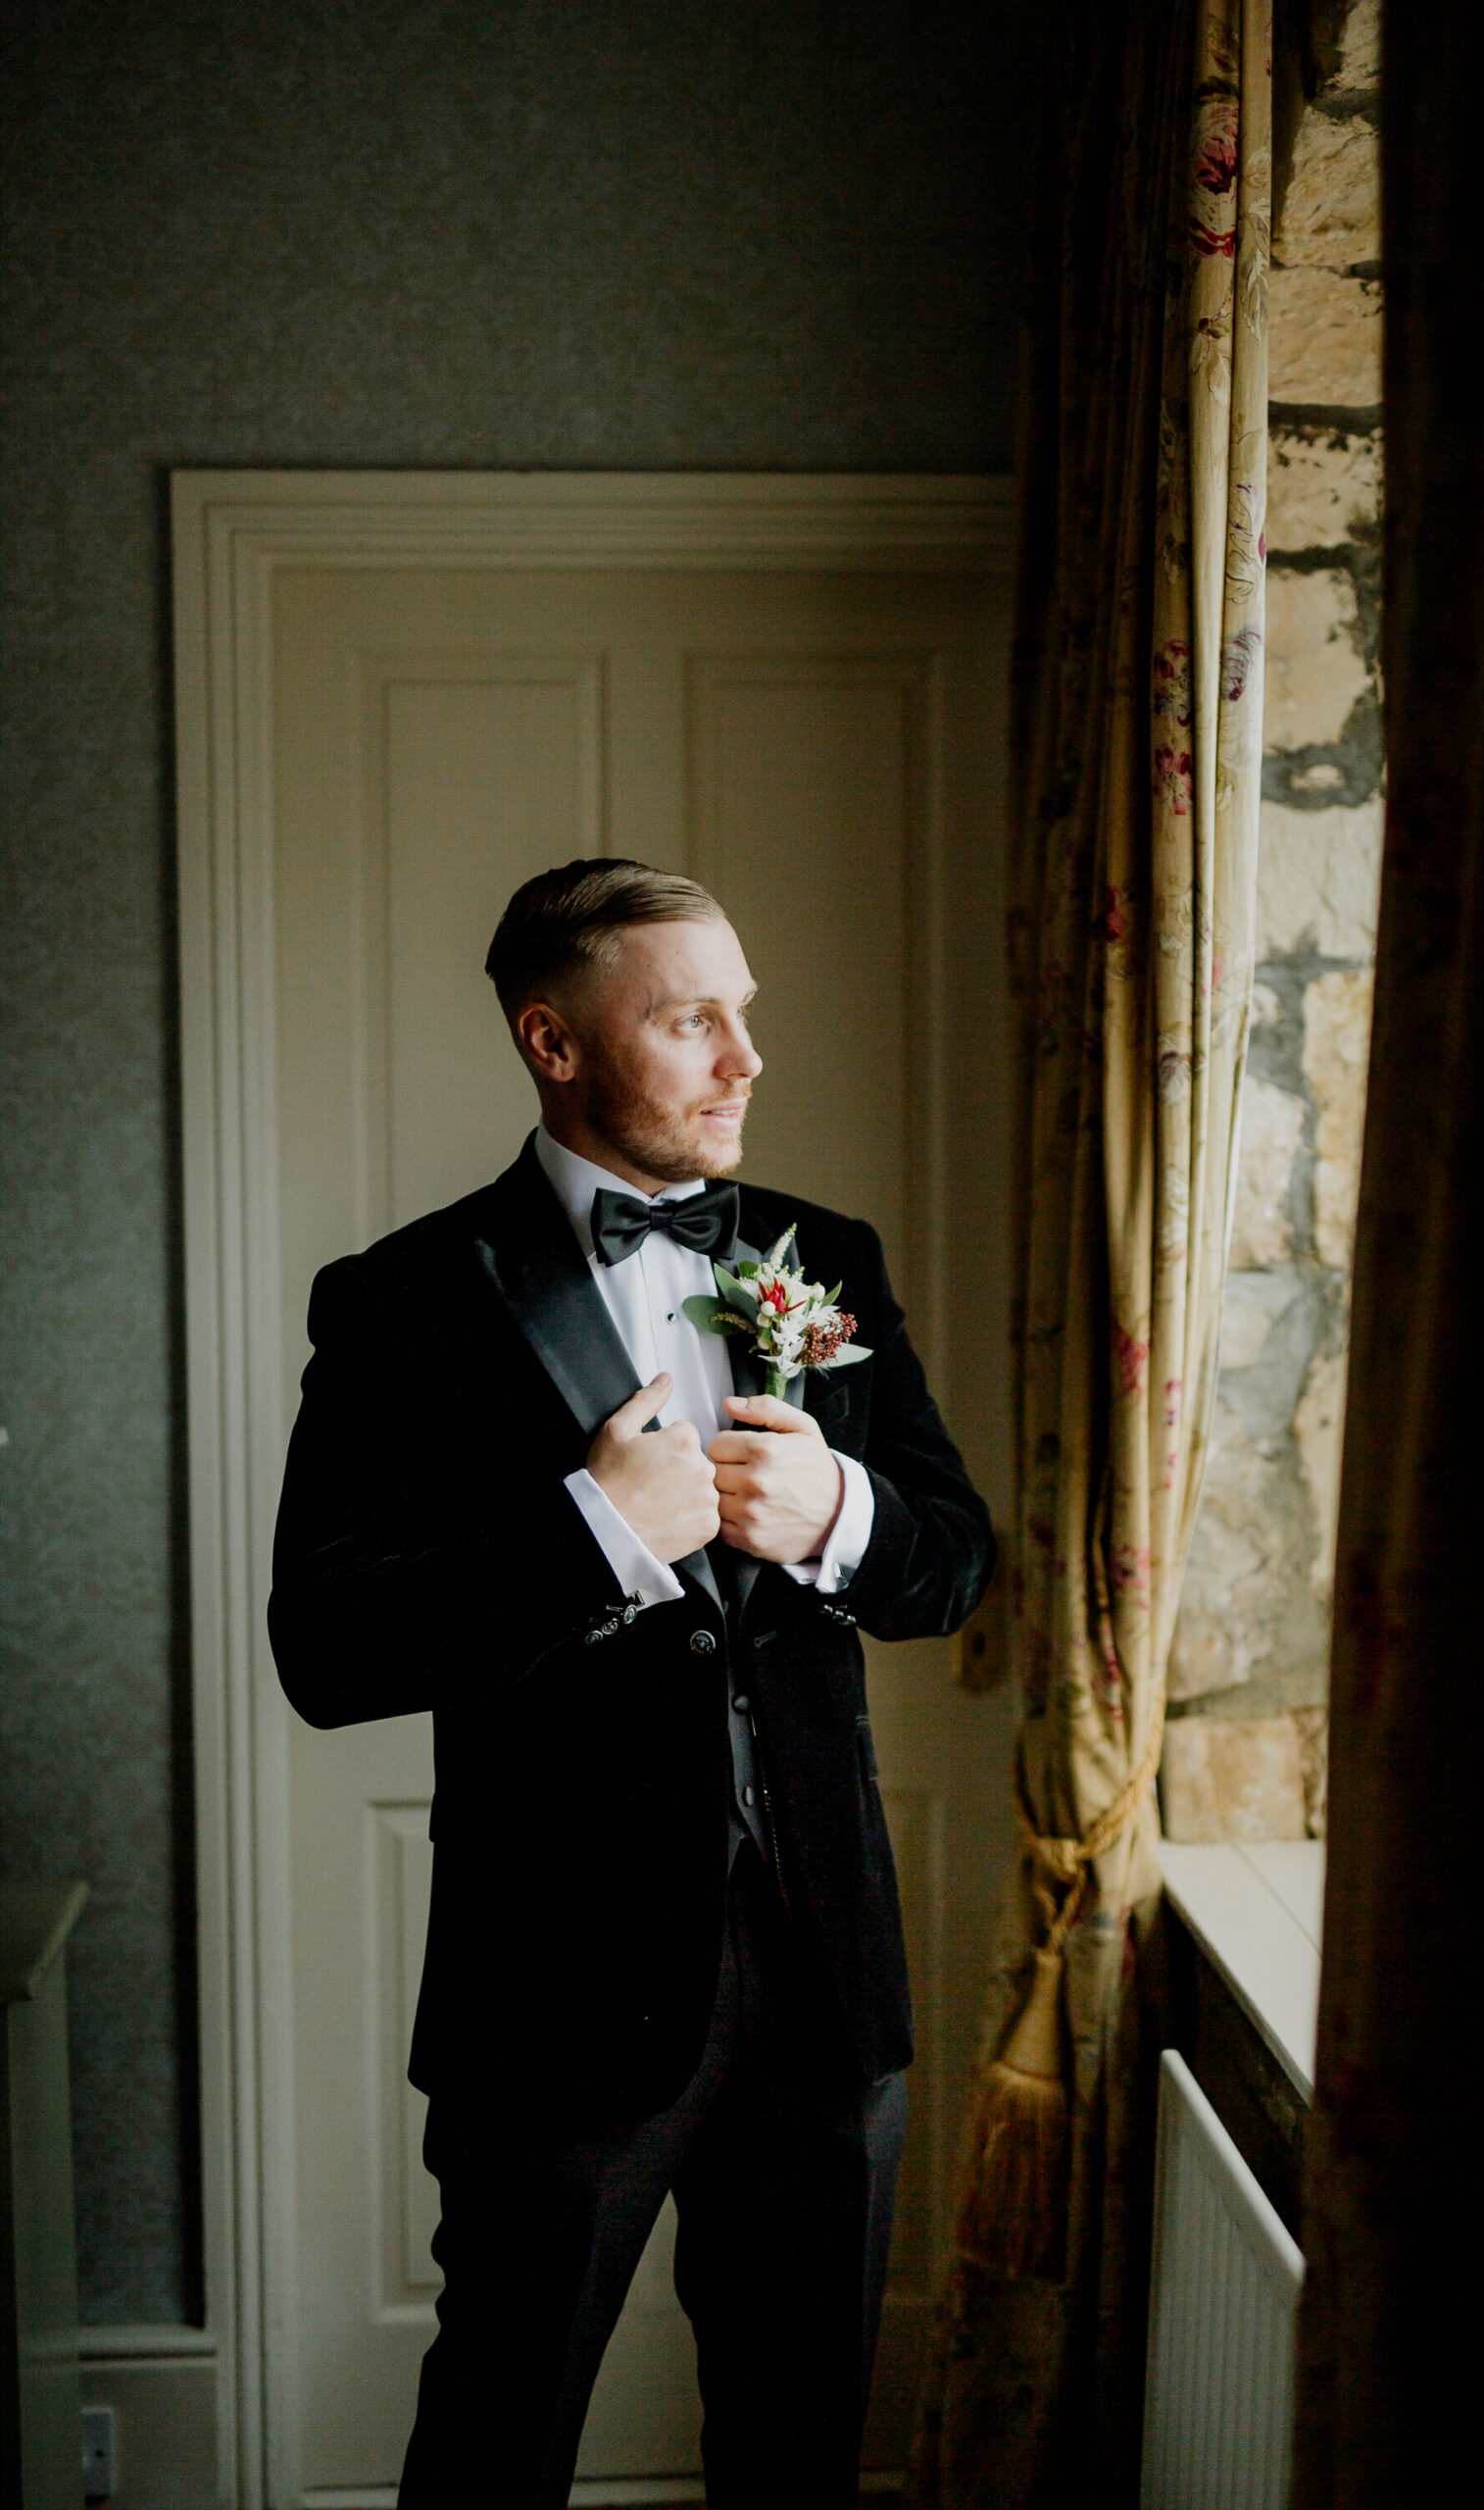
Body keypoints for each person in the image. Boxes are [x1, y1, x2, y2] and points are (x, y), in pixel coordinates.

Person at [268, 858, 995, 2508]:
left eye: (746, 1016)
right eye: (691, 1021)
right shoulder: (401, 1301)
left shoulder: (833, 1257)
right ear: (557, 1040)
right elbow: (325, 1651)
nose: (746, 1059)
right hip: (557, 1989)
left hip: (827, 1972)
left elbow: (955, 1564)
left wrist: (842, 1515)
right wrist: (595, 1528)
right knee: (499, 2442)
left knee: (800, 2446)